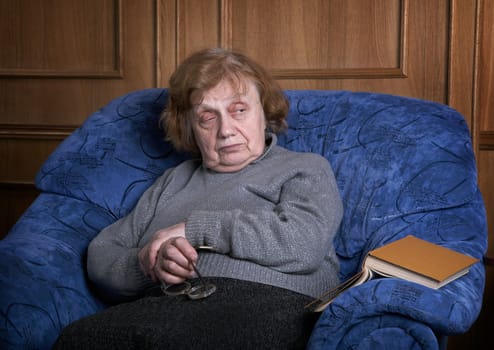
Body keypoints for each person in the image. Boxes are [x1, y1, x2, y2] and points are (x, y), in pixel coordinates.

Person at [53, 47, 344, 349]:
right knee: (78, 339)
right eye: (207, 117)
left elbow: (304, 244)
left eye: (239, 110)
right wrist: (147, 263)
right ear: (189, 127)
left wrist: (194, 230)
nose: (226, 130)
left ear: (265, 113)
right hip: (171, 305)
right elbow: (102, 256)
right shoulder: (173, 181)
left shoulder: (304, 167)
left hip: (272, 300)